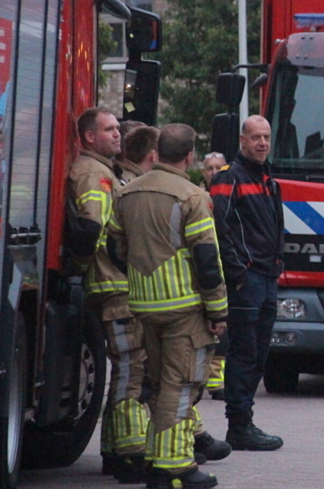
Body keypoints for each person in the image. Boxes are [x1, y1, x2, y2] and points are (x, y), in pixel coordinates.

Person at [109, 124, 228, 489]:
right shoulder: (192, 197)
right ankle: (173, 468)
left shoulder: (127, 193)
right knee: (182, 386)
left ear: (158, 151)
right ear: (190, 157)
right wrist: (218, 311)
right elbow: (207, 261)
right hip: (185, 309)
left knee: (159, 384)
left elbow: (114, 249)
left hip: (143, 306)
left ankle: (159, 461)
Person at [66, 108, 149, 481]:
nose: (118, 135)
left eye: (118, 128)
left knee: (127, 369)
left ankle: (118, 449)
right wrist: (82, 269)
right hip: (112, 286)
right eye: (109, 129)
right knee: (130, 369)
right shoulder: (94, 174)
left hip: (115, 285)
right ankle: (126, 454)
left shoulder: (103, 171)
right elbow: (90, 229)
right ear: (87, 137)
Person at [210, 116, 285, 451]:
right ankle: (238, 425)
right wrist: (238, 274)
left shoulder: (269, 180)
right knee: (244, 352)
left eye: (266, 137)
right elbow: (220, 228)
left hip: (267, 277)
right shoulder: (230, 178)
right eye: (256, 137)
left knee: (259, 354)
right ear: (242, 140)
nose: (262, 143)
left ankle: (244, 421)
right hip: (248, 279)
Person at [200, 152, 230, 401]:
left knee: (223, 327)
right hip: (204, 269)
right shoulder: (195, 196)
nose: (213, 173)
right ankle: (207, 377)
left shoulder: (229, 194)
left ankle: (217, 379)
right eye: (209, 168)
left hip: (224, 268)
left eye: (218, 168)